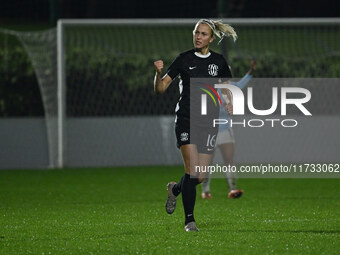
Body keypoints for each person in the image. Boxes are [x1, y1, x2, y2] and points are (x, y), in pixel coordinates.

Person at [153, 19, 237, 232]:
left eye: (203, 34)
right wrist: (157, 74)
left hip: (208, 123)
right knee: (191, 172)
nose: (198, 37)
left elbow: (226, 88)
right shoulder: (183, 59)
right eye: (196, 33)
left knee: (199, 176)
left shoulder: (218, 62)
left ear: (211, 38)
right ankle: (189, 221)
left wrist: (228, 103)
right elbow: (161, 88)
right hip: (186, 120)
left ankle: (175, 189)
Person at [201, 60, 256, 200]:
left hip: (226, 130)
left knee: (229, 161)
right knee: (207, 163)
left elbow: (243, 82)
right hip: (209, 131)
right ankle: (205, 191)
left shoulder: (232, 87)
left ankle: (232, 189)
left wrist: (251, 70)